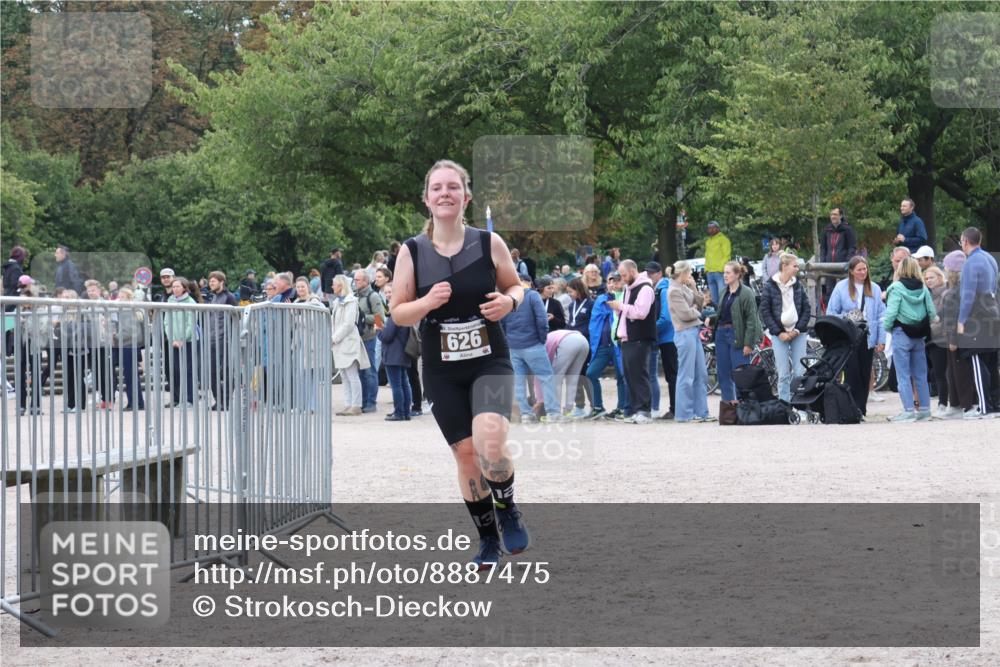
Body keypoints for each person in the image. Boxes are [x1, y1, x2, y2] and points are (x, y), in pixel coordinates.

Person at [390, 159, 528, 570]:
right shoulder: (412, 251)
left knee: (489, 442)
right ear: (427, 199)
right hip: (441, 369)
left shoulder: (488, 243)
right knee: (466, 455)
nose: (445, 193)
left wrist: (510, 302)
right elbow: (398, 312)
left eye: (453, 186)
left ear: (466, 196)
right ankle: (487, 540)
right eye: (437, 188)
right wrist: (427, 302)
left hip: (490, 360)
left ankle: (507, 509)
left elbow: (517, 285)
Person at [826, 256, 886, 414]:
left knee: (865, 373)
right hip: (849, 336)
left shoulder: (875, 288)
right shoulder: (841, 288)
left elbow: (881, 316)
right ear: (851, 271)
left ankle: (861, 409)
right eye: (859, 269)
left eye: (865, 269)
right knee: (852, 373)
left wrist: (881, 339)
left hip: (867, 336)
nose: (863, 272)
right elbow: (831, 312)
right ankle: (850, 408)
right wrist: (848, 317)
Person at [501, 274, 562, 423]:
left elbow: (501, 323)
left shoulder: (506, 298)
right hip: (533, 343)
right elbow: (542, 320)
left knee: (519, 381)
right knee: (546, 378)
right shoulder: (533, 296)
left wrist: (507, 341)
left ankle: (526, 414)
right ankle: (553, 412)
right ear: (528, 282)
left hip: (513, 346)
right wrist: (542, 338)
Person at [883, 257, 937, 421]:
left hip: (901, 333)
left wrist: (887, 328)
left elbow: (891, 313)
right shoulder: (923, 287)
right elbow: (932, 313)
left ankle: (908, 411)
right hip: (919, 335)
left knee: (903, 374)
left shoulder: (896, 288)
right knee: (921, 374)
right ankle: (925, 410)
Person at [605, 259, 656, 424]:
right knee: (630, 375)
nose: (623, 278)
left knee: (639, 374)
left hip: (640, 338)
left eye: (624, 275)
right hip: (627, 338)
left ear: (633, 271)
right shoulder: (628, 288)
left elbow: (640, 313)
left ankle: (644, 410)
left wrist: (620, 306)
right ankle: (635, 409)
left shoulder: (645, 288)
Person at [956, 226, 1000, 418]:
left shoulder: (971, 262)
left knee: (976, 358)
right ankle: (995, 403)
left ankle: (985, 406)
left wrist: (961, 320)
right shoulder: (991, 259)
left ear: (965, 241)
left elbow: (967, 294)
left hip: (977, 314)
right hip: (992, 310)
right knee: (991, 361)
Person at [758, 253, 812, 402]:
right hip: (778, 334)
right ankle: (784, 405)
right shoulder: (769, 286)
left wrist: (797, 330)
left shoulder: (798, 285)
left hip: (798, 333)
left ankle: (800, 405)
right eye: (794, 266)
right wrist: (778, 332)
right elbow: (765, 311)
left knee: (800, 371)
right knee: (783, 373)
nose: (797, 269)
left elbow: (806, 309)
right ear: (784, 266)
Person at [668, 261, 711, 422]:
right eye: (689, 273)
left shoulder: (684, 287)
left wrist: (693, 288)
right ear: (683, 273)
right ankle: (684, 414)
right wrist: (696, 311)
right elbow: (686, 314)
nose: (691, 275)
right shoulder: (673, 291)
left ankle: (701, 412)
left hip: (694, 331)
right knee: (686, 375)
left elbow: (700, 303)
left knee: (701, 373)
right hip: (684, 333)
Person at [714, 260, 763, 403]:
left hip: (738, 335)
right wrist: (712, 319)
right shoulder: (724, 291)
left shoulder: (746, 293)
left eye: (728, 273)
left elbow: (751, 319)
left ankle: (744, 406)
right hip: (721, 335)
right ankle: (728, 407)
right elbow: (723, 313)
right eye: (724, 273)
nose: (725, 275)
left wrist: (748, 343)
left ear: (737, 274)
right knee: (723, 373)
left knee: (740, 374)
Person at [585, 271, 628, 420]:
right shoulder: (600, 300)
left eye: (615, 282)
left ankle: (622, 408)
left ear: (621, 283)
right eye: (610, 282)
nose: (612, 285)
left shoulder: (625, 298)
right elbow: (595, 321)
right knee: (590, 374)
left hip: (618, 345)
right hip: (602, 345)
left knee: (622, 376)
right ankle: (598, 407)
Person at [939, 251, 977, 418]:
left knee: (962, 371)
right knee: (953, 371)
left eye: (947, 266)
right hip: (957, 334)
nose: (945, 269)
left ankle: (969, 405)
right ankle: (955, 403)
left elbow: (953, 316)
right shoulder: (955, 288)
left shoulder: (957, 291)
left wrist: (952, 339)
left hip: (959, 336)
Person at [330, 274, 370, 416]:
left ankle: (357, 405)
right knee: (345, 376)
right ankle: (348, 404)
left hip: (350, 342)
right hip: (339, 343)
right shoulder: (336, 302)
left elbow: (348, 324)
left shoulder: (352, 301)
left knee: (353, 375)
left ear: (341, 285)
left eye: (334, 284)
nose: (332, 286)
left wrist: (334, 338)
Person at [353, 269, 384, 413]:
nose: (355, 282)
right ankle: (363, 401)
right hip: (356, 339)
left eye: (357, 280)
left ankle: (371, 402)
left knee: (370, 371)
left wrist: (363, 317)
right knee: (360, 371)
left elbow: (380, 319)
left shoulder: (373, 296)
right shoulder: (354, 296)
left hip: (369, 338)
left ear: (365, 281)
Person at [378, 294, 413, 422]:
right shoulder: (407, 314)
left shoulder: (395, 316)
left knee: (397, 385)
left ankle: (399, 412)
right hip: (403, 353)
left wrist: (378, 329)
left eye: (390, 301)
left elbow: (386, 336)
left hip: (393, 354)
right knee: (404, 383)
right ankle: (406, 412)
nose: (388, 303)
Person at [206, 271, 238, 410]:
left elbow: (236, 318)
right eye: (210, 281)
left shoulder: (229, 297)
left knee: (227, 371)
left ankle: (226, 400)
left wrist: (230, 337)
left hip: (225, 340)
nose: (211, 283)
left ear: (221, 282)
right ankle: (218, 400)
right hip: (213, 340)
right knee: (212, 372)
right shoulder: (213, 297)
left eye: (214, 281)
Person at [923, 265, 951, 418]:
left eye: (931, 277)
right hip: (932, 340)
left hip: (944, 338)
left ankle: (945, 404)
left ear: (940, 277)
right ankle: (943, 403)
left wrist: (933, 321)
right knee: (938, 373)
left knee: (945, 373)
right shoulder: (927, 295)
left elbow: (942, 317)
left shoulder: (946, 293)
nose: (928, 281)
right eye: (926, 278)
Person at [113, 285, 147, 411]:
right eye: (119, 297)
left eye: (122, 297)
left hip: (128, 345)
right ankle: (137, 402)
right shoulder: (134, 310)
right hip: (133, 346)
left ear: (128, 298)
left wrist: (115, 336)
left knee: (130, 376)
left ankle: (135, 403)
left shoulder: (127, 310)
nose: (119, 299)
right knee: (132, 376)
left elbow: (128, 332)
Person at [165, 276, 197, 407]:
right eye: (173, 286)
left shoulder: (190, 302)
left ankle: (190, 399)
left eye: (178, 286)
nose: (175, 289)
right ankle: (179, 398)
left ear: (184, 288)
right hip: (174, 342)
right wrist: (172, 338)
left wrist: (183, 339)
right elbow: (166, 321)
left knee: (187, 370)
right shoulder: (169, 300)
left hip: (187, 341)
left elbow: (191, 323)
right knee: (176, 370)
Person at [564, 277, 594, 418]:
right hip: (572, 343)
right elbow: (571, 322)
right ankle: (579, 406)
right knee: (573, 375)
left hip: (585, 344)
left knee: (585, 374)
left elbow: (592, 325)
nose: (570, 294)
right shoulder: (571, 306)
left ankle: (595, 405)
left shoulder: (591, 304)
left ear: (578, 289)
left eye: (571, 291)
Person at [653, 263, 677, 419]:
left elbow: (665, 318)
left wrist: (650, 330)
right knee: (673, 374)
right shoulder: (664, 287)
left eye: (652, 273)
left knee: (673, 374)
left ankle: (675, 409)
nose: (649, 276)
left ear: (659, 273)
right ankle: (676, 407)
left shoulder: (662, 289)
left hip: (668, 338)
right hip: (670, 337)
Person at [704, 220, 731, 307]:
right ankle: (716, 318)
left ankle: (726, 316)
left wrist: (721, 268)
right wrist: (706, 269)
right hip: (710, 273)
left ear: (718, 228)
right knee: (714, 300)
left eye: (713, 227)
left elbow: (727, 255)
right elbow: (707, 256)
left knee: (723, 296)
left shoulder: (724, 239)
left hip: (720, 272)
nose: (710, 229)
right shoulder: (708, 241)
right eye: (709, 228)